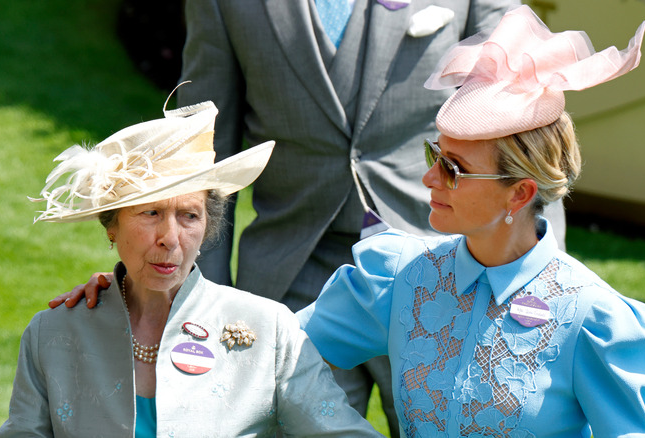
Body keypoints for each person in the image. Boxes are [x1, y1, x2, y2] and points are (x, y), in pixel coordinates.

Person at [175, 0, 571, 434]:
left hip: (443, 271)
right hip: (292, 270)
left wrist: (541, 280)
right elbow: (203, 153)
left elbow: (529, 113)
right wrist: (195, 295)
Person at [297, 5, 645, 436]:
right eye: (433, 155)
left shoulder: (593, 319)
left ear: (520, 193)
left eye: (453, 168)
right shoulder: (399, 277)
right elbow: (279, 352)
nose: (429, 178)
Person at [0, 100, 383, 437]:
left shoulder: (269, 329)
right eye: (150, 213)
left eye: (188, 215)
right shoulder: (53, 333)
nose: (170, 237)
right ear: (111, 225)